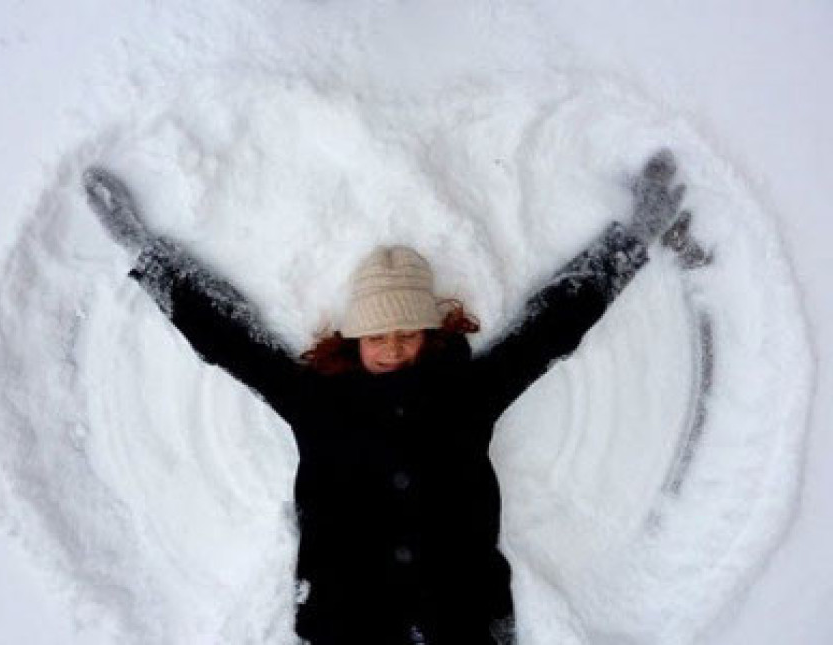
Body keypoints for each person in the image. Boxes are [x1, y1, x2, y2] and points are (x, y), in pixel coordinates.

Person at [83, 149, 691, 645]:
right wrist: (147, 252)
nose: (394, 348)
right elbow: (230, 339)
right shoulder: (316, 399)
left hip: (464, 621)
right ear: (353, 338)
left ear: (432, 335)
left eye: (406, 334)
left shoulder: (468, 392)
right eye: (378, 335)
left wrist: (633, 239)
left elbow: (551, 327)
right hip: (349, 624)